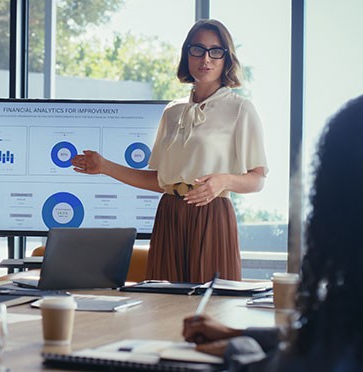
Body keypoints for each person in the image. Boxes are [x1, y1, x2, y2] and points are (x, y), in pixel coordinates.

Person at [182, 92, 363, 371]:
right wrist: (237, 332)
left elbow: (276, 366)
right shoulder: (362, 300)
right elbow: (316, 335)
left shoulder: (357, 309)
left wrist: (237, 346)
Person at [71, 19, 268, 282]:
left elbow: (257, 179)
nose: (206, 58)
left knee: (210, 307)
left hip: (212, 216)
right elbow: (161, 181)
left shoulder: (240, 109)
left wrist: (224, 181)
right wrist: (106, 166)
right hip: (169, 215)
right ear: (187, 54)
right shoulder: (172, 112)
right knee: (163, 303)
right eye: (197, 49)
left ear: (226, 58)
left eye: (215, 51)